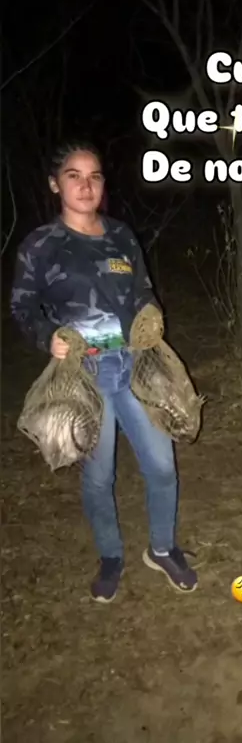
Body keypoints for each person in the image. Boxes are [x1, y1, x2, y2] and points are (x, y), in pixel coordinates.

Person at [10, 140, 198, 603]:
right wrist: (46, 335)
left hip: (133, 364)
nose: (86, 185)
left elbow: (143, 288)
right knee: (99, 474)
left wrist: (149, 310)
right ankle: (111, 556)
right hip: (83, 374)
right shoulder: (40, 245)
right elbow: (22, 306)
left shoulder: (120, 236)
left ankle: (162, 547)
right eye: (74, 175)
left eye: (94, 176)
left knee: (162, 465)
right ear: (55, 184)